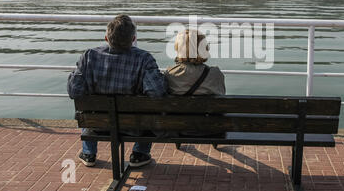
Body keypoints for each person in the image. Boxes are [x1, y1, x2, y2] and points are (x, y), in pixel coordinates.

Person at [67, 14, 167, 167]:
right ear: (133, 39)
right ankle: (139, 154)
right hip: (134, 126)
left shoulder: (89, 56)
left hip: (97, 124)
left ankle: (89, 153)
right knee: (150, 111)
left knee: (89, 109)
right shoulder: (144, 59)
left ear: (106, 38)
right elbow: (157, 93)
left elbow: (75, 91)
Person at [164, 29, 225, 137]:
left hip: (178, 129)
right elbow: (221, 96)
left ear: (179, 48)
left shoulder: (170, 74)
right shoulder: (215, 74)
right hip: (213, 129)